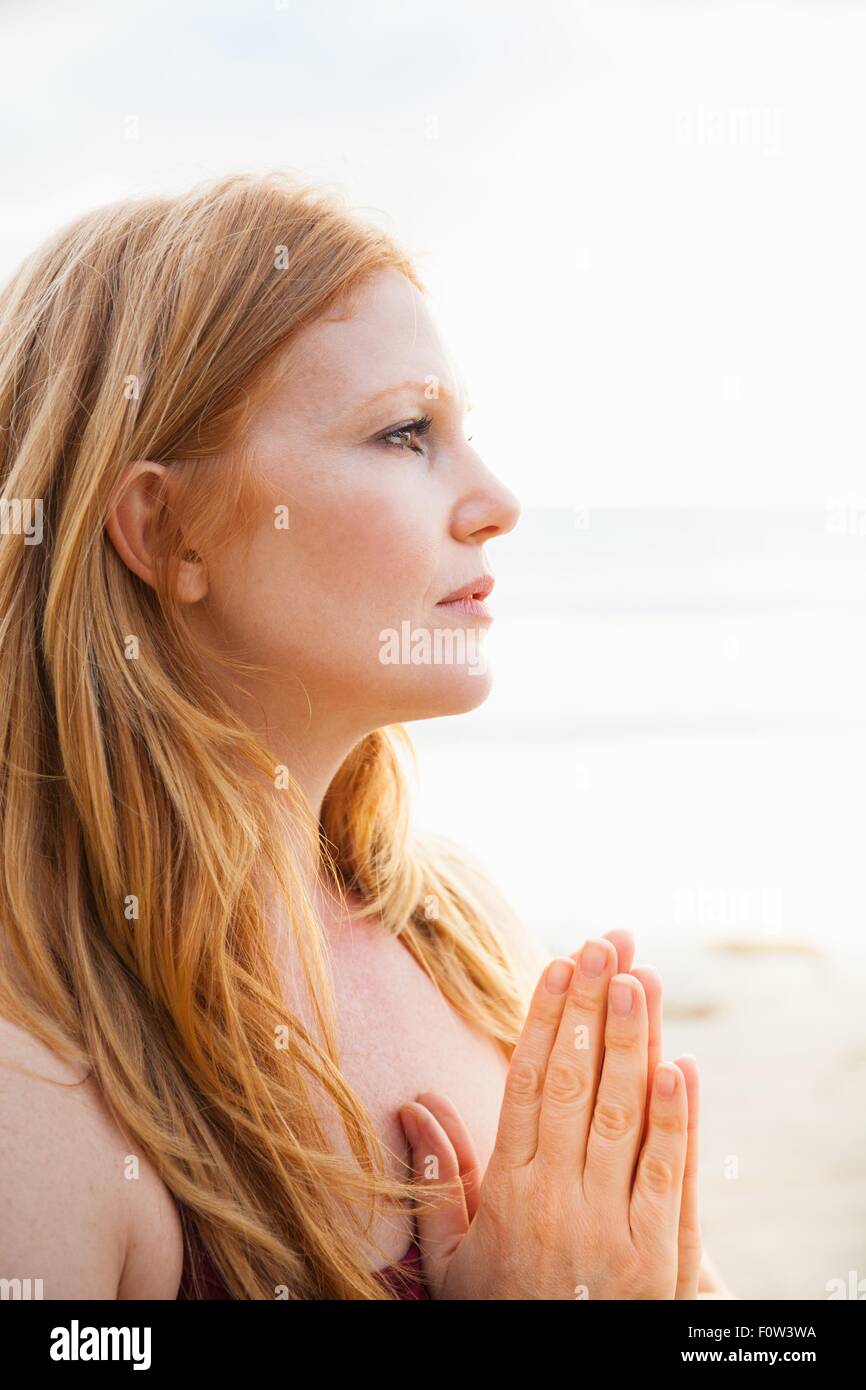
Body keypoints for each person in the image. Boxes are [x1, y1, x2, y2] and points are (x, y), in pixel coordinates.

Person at [0, 171, 730, 1298]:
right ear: (164, 526)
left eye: (461, 431)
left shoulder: (457, 928)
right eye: (403, 434)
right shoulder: (36, 1080)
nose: (495, 499)